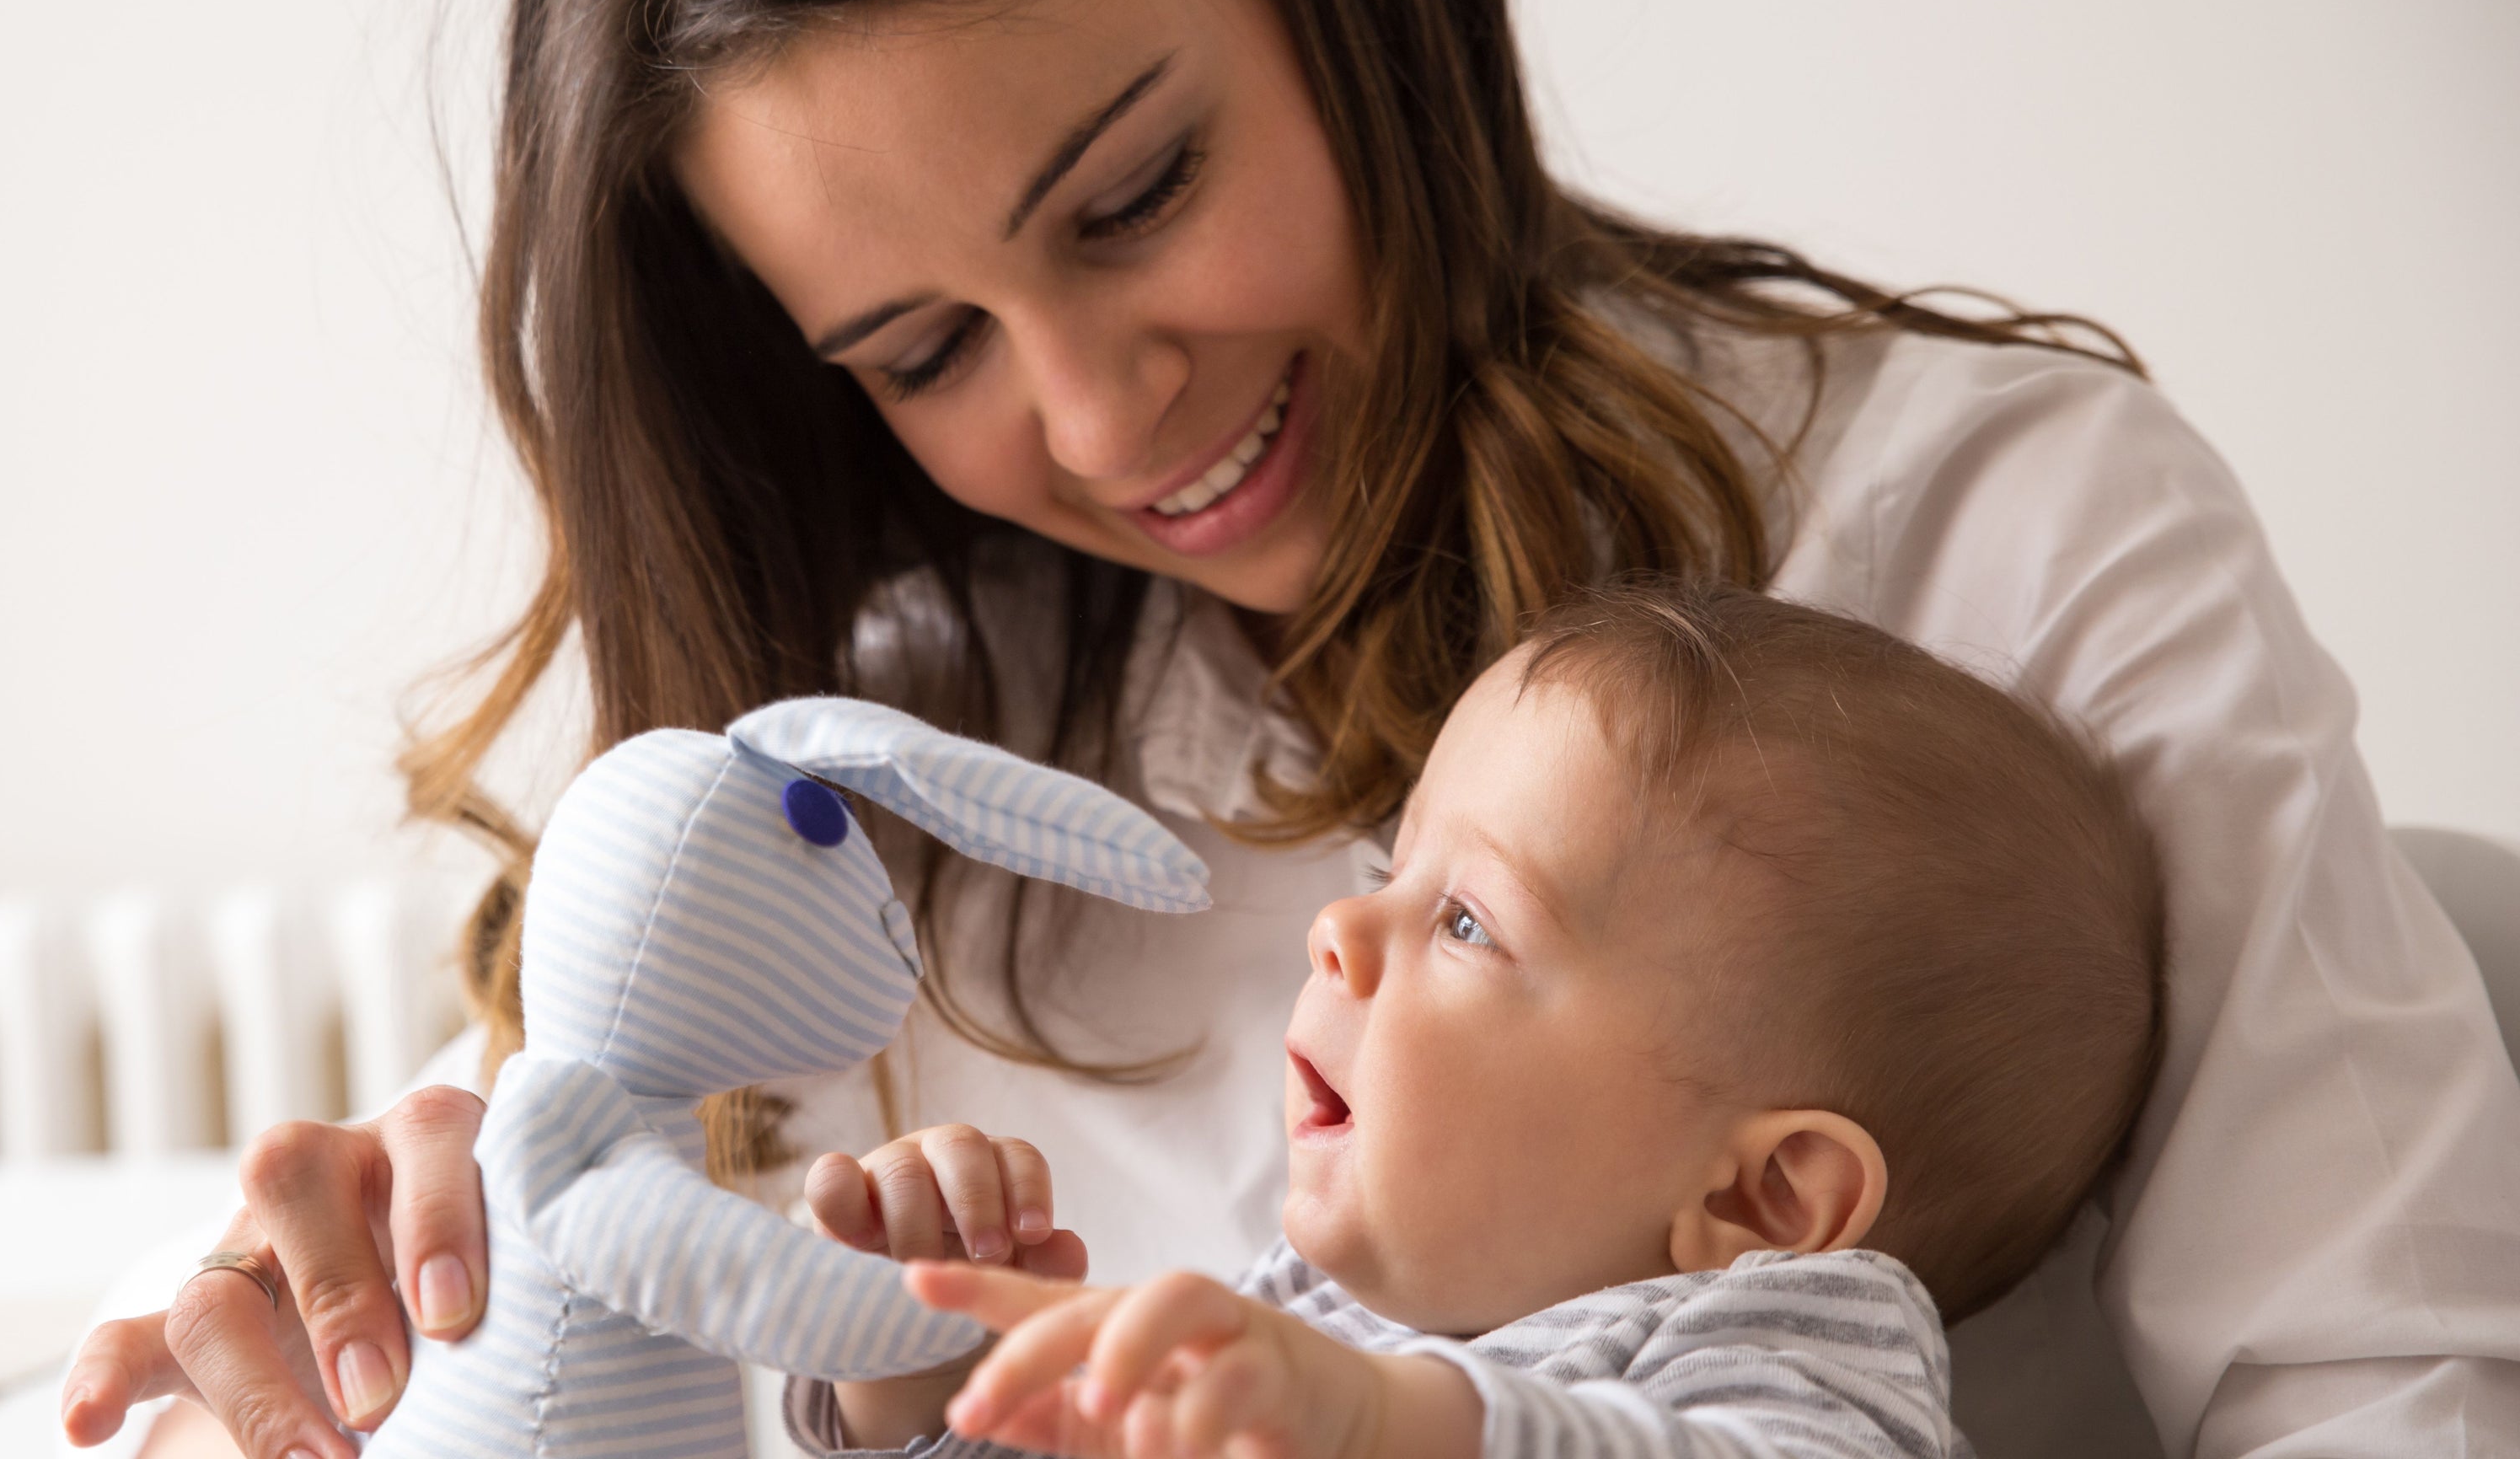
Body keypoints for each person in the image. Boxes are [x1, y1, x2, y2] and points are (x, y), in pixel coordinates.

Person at [56, 0, 2520, 1454]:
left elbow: (2383, 1398)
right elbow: (651, 1327)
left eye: (1131, 197)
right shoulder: (873, 759)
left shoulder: (2007, 536)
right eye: (920, 350)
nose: (1110, 428)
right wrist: (414, 1325)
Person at [785, 582, 2162, 1459]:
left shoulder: (1784, 1353)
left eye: (1467, 925)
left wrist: (1383, 1426)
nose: (1340, 929)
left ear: (1764, 1196)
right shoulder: (1315, 1314)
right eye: (1395, 875)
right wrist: (924, 1381)